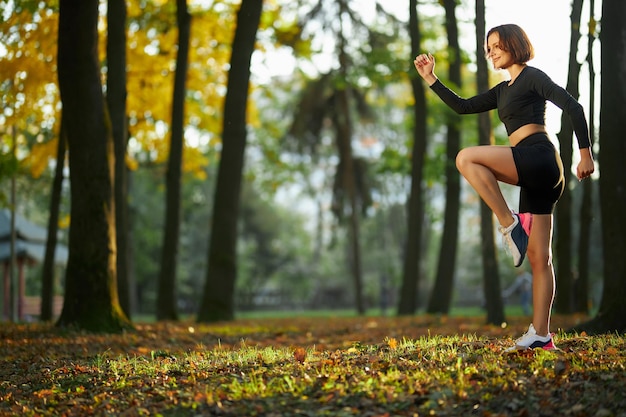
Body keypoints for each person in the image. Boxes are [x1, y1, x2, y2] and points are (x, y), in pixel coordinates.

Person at [413, 24, 594, 351]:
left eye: (497, 46)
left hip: (538, 157)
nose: (491, 52)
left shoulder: (532, 76)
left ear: (515, 45)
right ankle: (541, 333)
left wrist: (585, 154)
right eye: (488, 48)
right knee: (540, 258)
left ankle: (510, 224)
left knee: (466, 157)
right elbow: (463, 106)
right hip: (534, 172)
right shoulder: (502, 90)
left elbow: (574, 107)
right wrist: (430, 78)